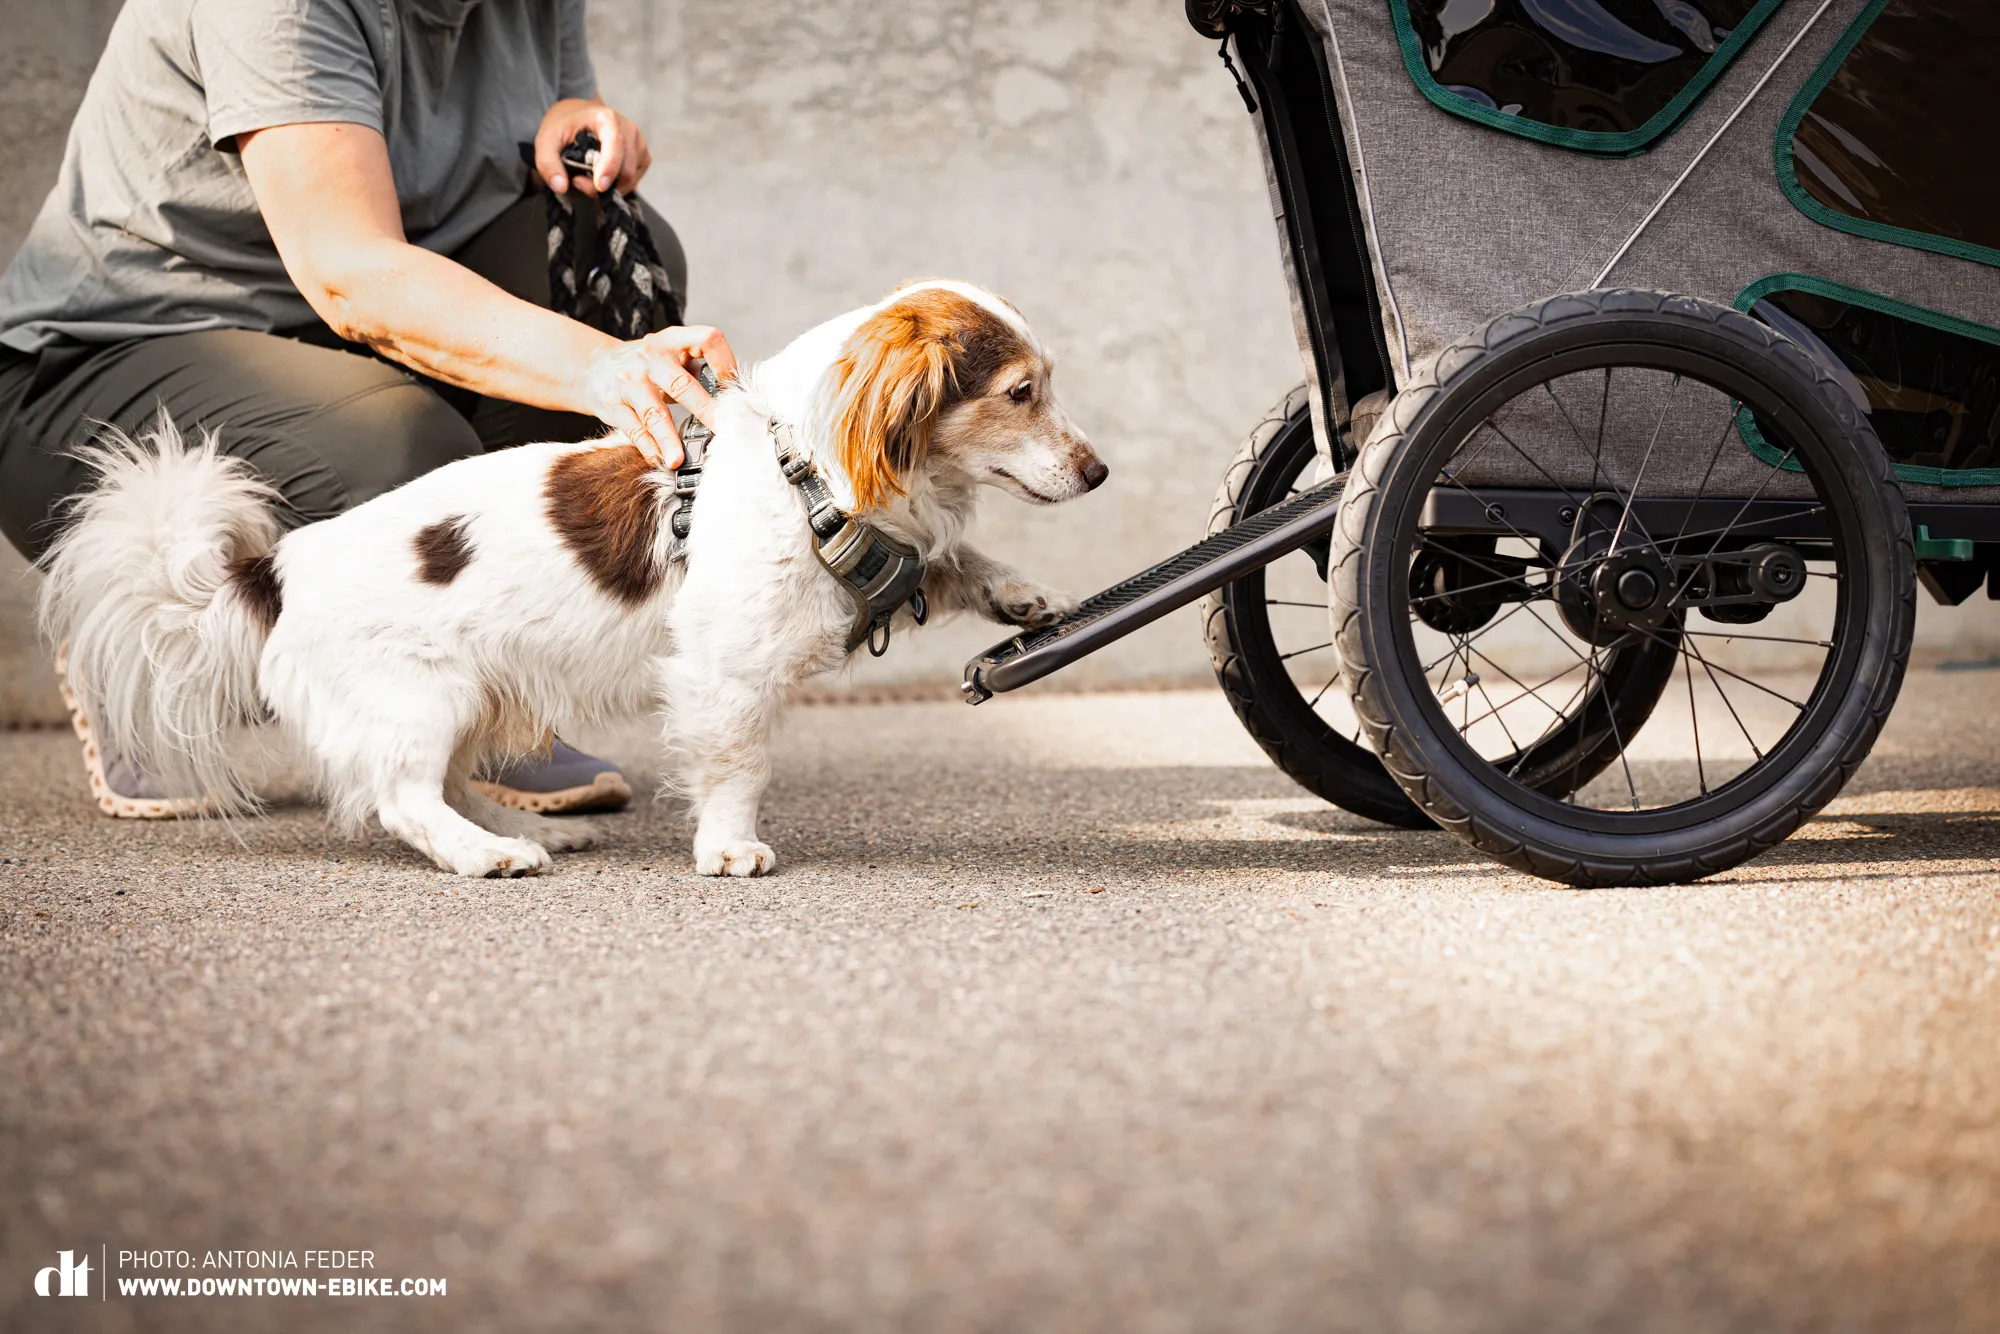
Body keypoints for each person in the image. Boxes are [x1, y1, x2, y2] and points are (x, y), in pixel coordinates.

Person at [0, 0, 736, 818]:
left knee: (603, 244)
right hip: (105, 362)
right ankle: (148, 630)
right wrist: (598, 369)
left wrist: (560, 126)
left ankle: (494, 697)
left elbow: (519, 146)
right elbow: (350, 273)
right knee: (403, 456)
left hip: (347, 339)